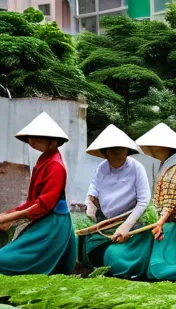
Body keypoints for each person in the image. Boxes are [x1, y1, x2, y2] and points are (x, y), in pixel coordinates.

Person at [0, 112, 77, 275]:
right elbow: (32, 201)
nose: (31, 141)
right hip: (45, 219)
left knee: (10, 260)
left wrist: (10, 218)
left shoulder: (55, 165)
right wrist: (9, 213)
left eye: (37, 138)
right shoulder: (45, 160)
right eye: (31, 137)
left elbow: (44, 205)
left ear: (53, 141)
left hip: (53, 222)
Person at [84, 125, 153, 278]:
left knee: (117, 257)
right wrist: (90, 202)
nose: (117, 153)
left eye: (121, 149)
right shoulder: (101, 168)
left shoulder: (137, 168)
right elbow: (93, 189)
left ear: (127, 150)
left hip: (131, 222)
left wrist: (126, 226)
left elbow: (144, 200)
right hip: (106, 222)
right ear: (105, 152)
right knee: (85, 246)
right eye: (112, 150)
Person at [138, 124, 176, 281]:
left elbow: (170, 201)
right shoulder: (165, 166)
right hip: (169, 224)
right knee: (157, 267)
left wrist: (160, 222)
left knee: (172, 268)